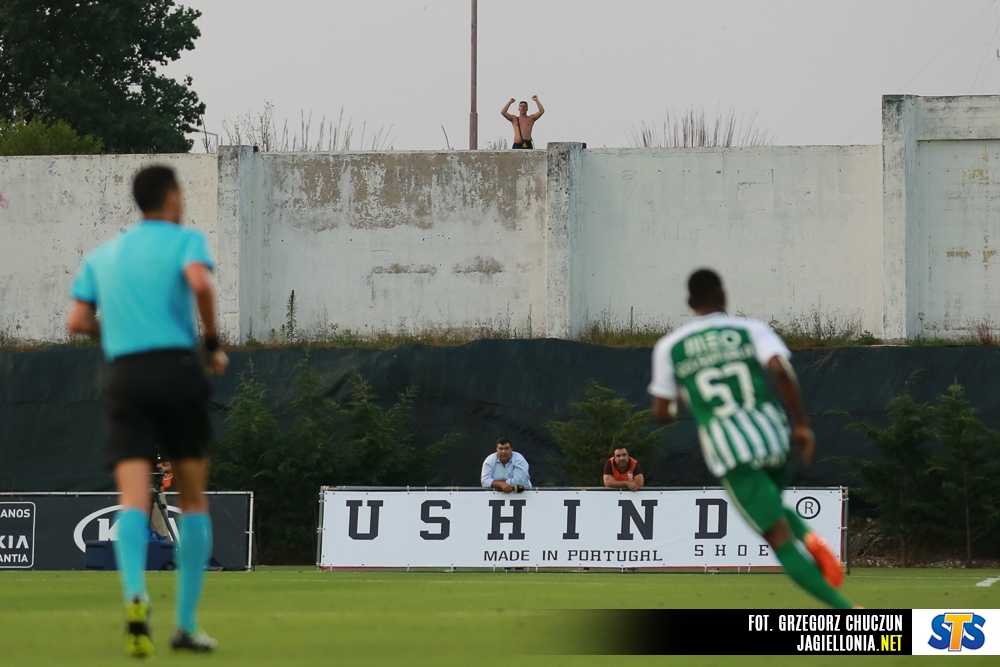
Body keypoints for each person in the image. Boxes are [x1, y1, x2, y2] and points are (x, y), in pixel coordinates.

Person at [67, 165, 229, 656]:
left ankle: (136, 596)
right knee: (193, 499)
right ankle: (185, 625)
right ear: (172, 198)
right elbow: (200, 283)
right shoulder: (186, 241)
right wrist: (213, 343)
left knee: (133, 501)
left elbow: (77, 320)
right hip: (176, 370)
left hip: (126, 377)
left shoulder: (103, 255)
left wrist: (115, 331)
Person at [647, 269, 857, 609]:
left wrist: (684, 401)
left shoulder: (670, 346)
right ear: (723, 297)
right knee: (773, 503)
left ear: (689, 303)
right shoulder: (750, 329)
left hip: (731, 449)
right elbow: (780, 370)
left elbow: (661, 411)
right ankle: (811, 539)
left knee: (777, 537)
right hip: (772, 435)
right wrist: (802, 425)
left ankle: (846, 609)